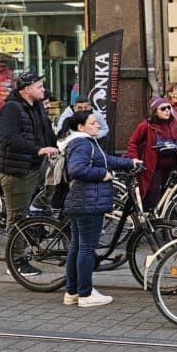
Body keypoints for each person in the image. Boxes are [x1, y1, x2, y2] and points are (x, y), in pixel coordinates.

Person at [59, 111, 139, 307]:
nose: (98, 125)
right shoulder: (82, 143)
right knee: (85, 248)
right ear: (81, 127)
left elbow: (107, 160)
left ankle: (72, 292)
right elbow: (76, 169)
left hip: (84, 201)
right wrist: (103, 175)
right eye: (93, 123)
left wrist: (130, 162)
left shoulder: (86, 142)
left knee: (77, 247)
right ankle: (86, 294)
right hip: (88, 202)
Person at [0, 72, 58, 275]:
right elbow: (9, 138)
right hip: (16, 171)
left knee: (36, 208)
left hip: (35, 166)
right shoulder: (11, 109)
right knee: (18, 217)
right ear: (27, 89)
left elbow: (47, 133)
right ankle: (15, 262)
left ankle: (31, 241)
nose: (43, 90)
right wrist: (37, 149)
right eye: (39, 86)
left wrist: (58, 147)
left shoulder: (37, 106)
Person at [126, 95, 177, 210]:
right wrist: (134, 158)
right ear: (155, 112)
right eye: (163, 109)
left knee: (168, 197)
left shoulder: (175, 124)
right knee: (152, 196)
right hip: (154, 168)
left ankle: (164, 221)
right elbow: (133, 143)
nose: (167, 111)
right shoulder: (146, 125)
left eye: (168, 108)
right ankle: (149, 219)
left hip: (173, 167)